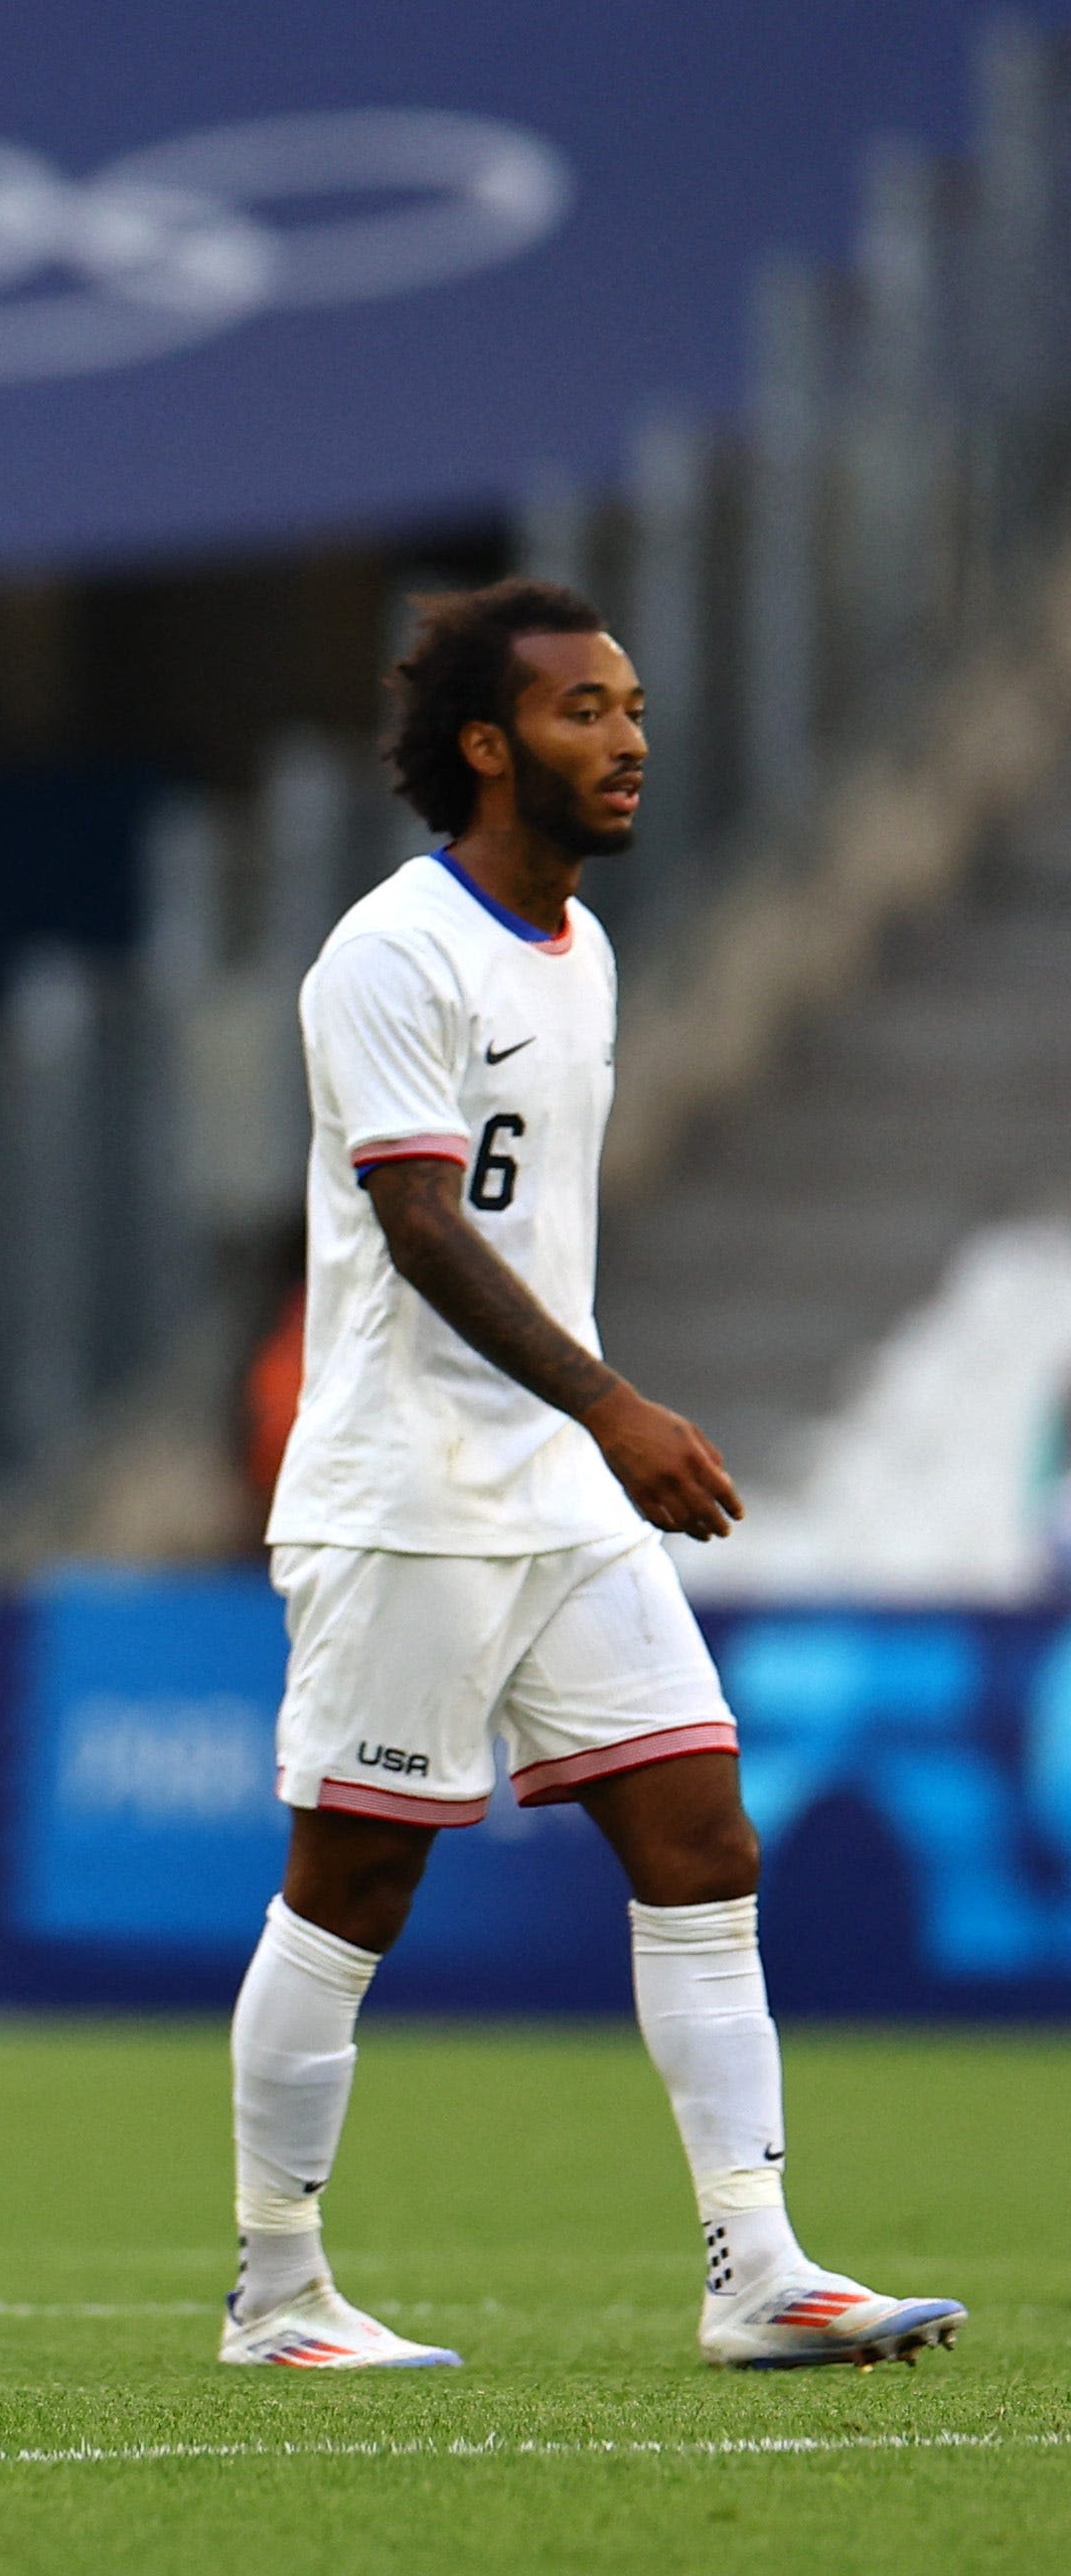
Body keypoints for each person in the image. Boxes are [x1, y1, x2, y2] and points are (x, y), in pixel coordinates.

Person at [224, 578, 961, 2373]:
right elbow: (416, 1227)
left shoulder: (587, 949)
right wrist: (616, 1404)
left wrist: (587, 1430)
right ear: (487, 744)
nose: (625, 738)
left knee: (699, 1827)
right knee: (352, 1881)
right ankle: (275, 2285)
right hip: (405, 1492)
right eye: (580, 711)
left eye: (630, 706)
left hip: (550, 1491)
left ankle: (757, 2265)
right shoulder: (391, 952)